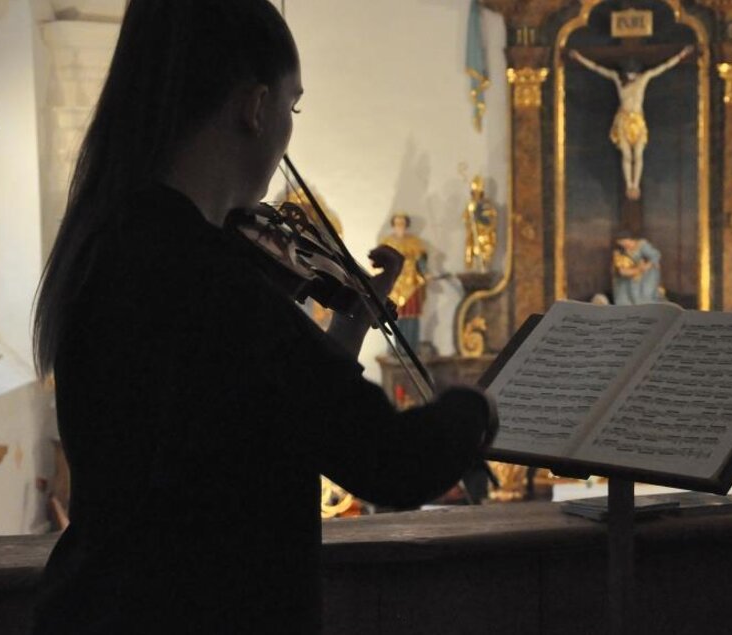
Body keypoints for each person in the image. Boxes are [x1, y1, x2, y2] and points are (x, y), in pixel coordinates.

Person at [28, 2, 497, 634]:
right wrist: (484, 408)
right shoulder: (212, 280)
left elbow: (254, 412)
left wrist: (349, 326)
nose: (288, 129)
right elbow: (390, 460)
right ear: (254, 107)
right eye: (292, 105)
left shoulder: (111, 244)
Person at [567, 45, 693, 200]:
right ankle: (629, 185)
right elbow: (596, 68)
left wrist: (680, 55)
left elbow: (663, 67)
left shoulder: (644, 78)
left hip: (638, 120)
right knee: (626, 154)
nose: (631, 75)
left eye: (633, 72)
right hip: (624, 119)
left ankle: (636, 184)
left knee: (639, 154)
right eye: (629, 72)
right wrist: (579, 58)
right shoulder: (618, 79)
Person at [380, 213, 429, 348]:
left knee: (411, 316)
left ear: (406, 225)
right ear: (393, 225)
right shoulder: (387, 242)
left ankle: (411, 347)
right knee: (393, 315)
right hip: (393, 284)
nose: (400, 226)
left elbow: (421, 261)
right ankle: (396, 348)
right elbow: (380, 263)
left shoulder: (414, 242)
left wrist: (425, 272)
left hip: (411, 283)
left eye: (402, 223)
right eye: (397, 223)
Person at [611, 230, 665, 305]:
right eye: (621, 243)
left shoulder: (641, 245)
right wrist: (636, 269)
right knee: (626, 293)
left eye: (625, 241)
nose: (624, 244)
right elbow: (621, 270)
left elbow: (655, 255)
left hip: (647, 274)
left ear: (630, 239)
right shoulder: (620, 252)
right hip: (631, 275)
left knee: (647, 292)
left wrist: (647, 266)